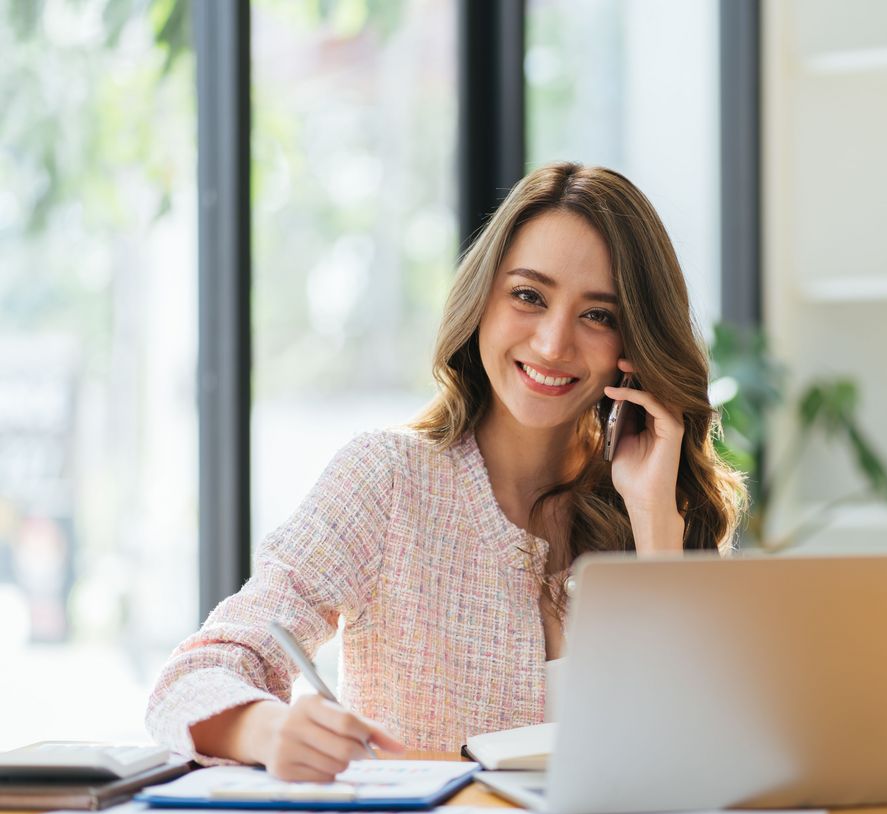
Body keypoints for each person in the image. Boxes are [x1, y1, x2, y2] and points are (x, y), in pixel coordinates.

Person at [145, 162, 746, 781]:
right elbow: (195, 676)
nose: (552, 344)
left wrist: (654, 526)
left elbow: (708, 751)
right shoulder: (387, 481)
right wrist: (268, 730)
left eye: (599, 315)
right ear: (482, 298)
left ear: (635, 340)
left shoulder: (660, 506)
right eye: (529, 296)